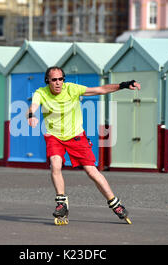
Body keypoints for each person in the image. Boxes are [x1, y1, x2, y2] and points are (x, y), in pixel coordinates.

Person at [27, 66, 140, 225]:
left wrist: (123, 85)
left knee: (91, 171)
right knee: (55, 164)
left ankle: (115, 203)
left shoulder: (72, 89)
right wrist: (31, 116)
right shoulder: (41, 93)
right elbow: (33, 107)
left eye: (61, 79)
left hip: (76, 136)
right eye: (54, 80)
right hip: (54, 136)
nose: (58, 83)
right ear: (48, 81)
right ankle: (62, 203)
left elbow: (100, 89)